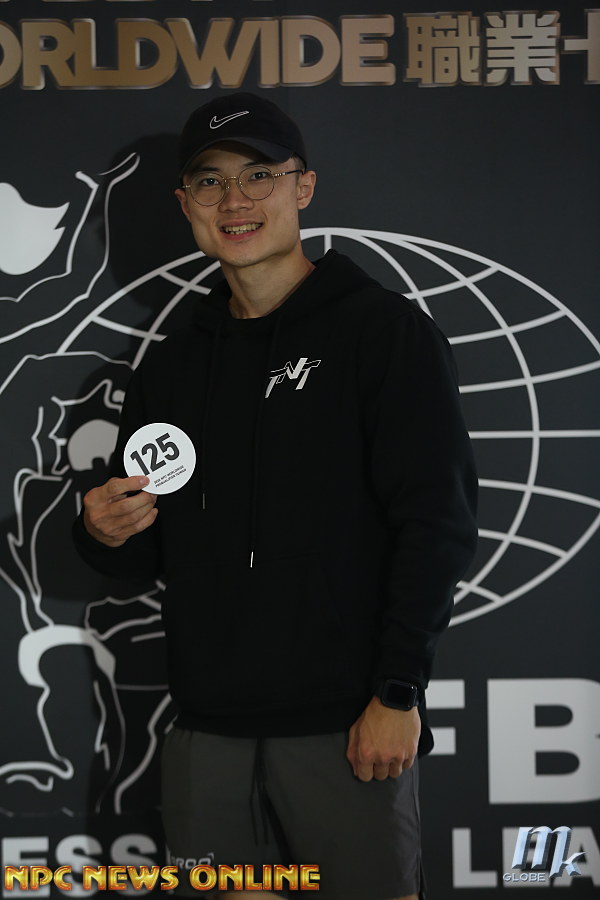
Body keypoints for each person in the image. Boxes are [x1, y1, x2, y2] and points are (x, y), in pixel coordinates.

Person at [73, 92, 478, 900]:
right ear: (185, 204)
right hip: (206, 732)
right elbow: (148, 553)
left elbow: (436, 522)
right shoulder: (173, 365)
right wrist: (103, 531)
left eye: (259, 174)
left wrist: (398, 691)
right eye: (211, 181)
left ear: (304, 187)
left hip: (346, 726)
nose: (236, 200)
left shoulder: (381, 332)